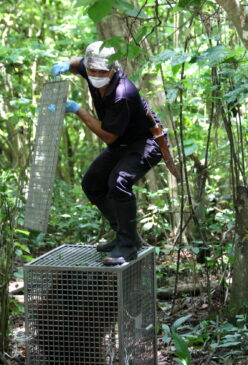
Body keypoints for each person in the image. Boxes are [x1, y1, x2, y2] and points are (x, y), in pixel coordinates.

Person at [51, 41, 180, 265]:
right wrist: (64, 65)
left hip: (145, 142)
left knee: (119, 181)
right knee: (92, 184)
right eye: (93, 70)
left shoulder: (122, 93)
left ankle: (128, 245)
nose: (97, 74)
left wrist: (77, 109)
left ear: (113, 69)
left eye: (103, 71)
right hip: (122, 143)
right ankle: (123, 234)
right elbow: (77, 64)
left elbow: (109, 136)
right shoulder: (91, 67)